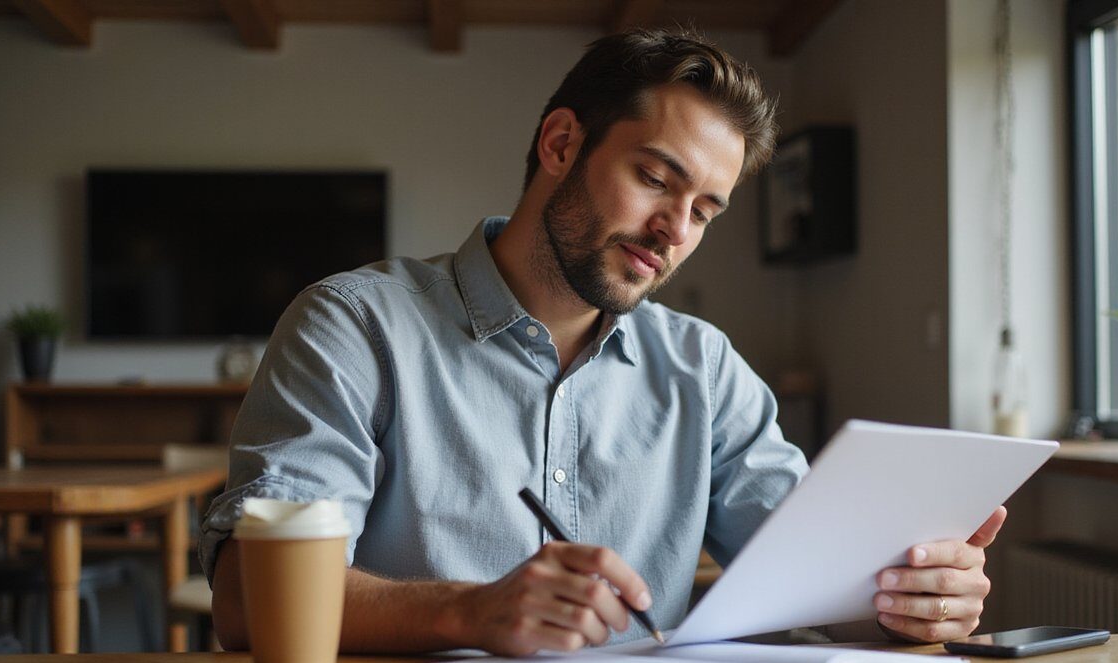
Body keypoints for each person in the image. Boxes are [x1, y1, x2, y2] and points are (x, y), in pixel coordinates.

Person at [202, 28, 1004, 657]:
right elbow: (248, 603)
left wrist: (909, 600)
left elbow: (818, 584)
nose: (673, 231)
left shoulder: (705, 370)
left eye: (704, 210)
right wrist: (471, 611)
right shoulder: (354, 325)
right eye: (656, 178)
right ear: (560, 145)